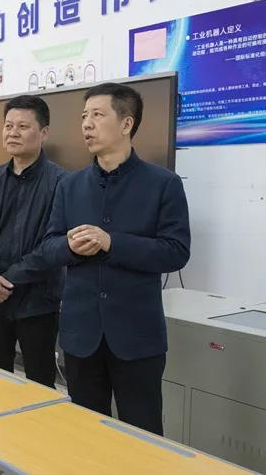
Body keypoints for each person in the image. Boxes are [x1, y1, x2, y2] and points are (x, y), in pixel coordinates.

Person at [41, 82, 190, 435]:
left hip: (137, 338)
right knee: (86, 434)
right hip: (81, 335)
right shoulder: (69, 185)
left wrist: (112, 243)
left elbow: (176, 251)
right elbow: (48, 246)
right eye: (84, 116)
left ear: (126, 123)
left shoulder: (163, 184)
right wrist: (69, 247)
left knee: (143, 436)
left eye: (97, 115)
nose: (86, 124)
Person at [0, 95, 66, 388]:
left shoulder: (61, 182)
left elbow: (54, 246)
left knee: (39, 385)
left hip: (37, 302)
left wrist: (6, 281)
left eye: (23, 126)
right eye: (8, 126)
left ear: (44, 133)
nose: (13, 132)